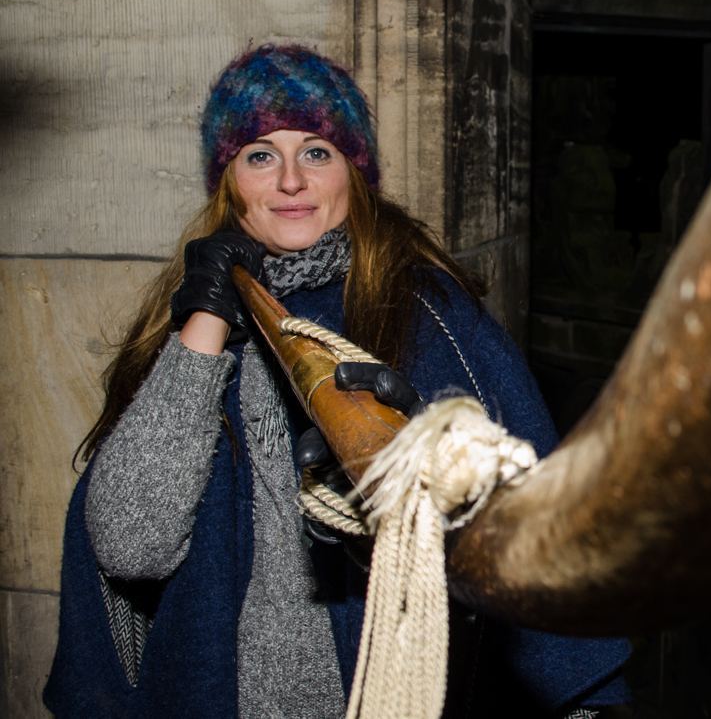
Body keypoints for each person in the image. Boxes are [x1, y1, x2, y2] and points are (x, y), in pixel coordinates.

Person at [44, 44, 631, 719]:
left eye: (317, 152)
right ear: (229, 181)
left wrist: (421, 466)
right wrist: (206, 322)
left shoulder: (431, 318)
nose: (291, 180)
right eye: (260, 154)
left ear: (353, 172)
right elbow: (131, 543)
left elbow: (533, 528)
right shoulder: (183, 327)